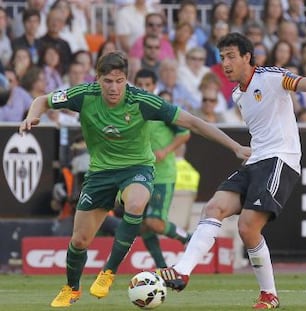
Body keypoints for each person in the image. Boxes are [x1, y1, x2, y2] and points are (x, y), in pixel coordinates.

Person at [18, 50, 250, 308]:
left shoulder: (142, 100)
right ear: (98, 79)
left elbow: (193, 122)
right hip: (100, 173)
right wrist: (31, 116)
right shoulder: (83, 95)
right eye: (108, 81)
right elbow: (42, 99)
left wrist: (235, 147)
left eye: (119, 80)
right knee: (79, 240)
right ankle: (71, 288)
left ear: (126, 79)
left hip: (137, 168)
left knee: (137, 204)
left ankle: (108, 271)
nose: (114, 87)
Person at [152, 32, 306, 309]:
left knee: (248, 227)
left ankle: (269, 295)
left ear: (247, 56)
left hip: (281, 160)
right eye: (222, 58)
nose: (225, 63)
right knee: (213, 208)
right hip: (256, 159)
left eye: (231, 56)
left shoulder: (270, 76)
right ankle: (182, 270)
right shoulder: (237, 94)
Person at [133, 68, 192, 268]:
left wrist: (166, 151)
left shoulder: (162, 108)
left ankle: (189, 239)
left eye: (147, 84)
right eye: (140, 84)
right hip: (139, 176)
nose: (143, 88)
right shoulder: (131, 110)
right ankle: (162, 268)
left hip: (162, 175)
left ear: (154, 86)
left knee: (155, 222)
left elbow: (184, 133)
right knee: (143, 225)